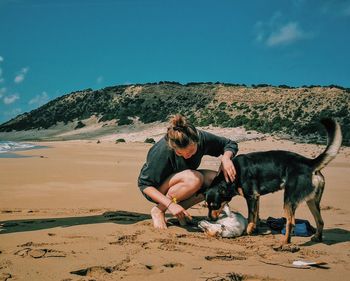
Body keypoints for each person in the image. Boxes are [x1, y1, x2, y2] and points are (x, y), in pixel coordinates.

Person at [137, 114, 238, 229]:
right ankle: (159, 210)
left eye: (191, 151)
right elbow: (144, 185)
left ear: (197, 142)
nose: (186, 156)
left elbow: (229, 144)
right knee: (194, 178)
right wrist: (170, 204)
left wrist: (226, 158)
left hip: (184, 183)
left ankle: (181, 210)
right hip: (157, 190)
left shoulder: (201, 138)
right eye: (180, 153)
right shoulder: (162, 151)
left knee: (219, 182)